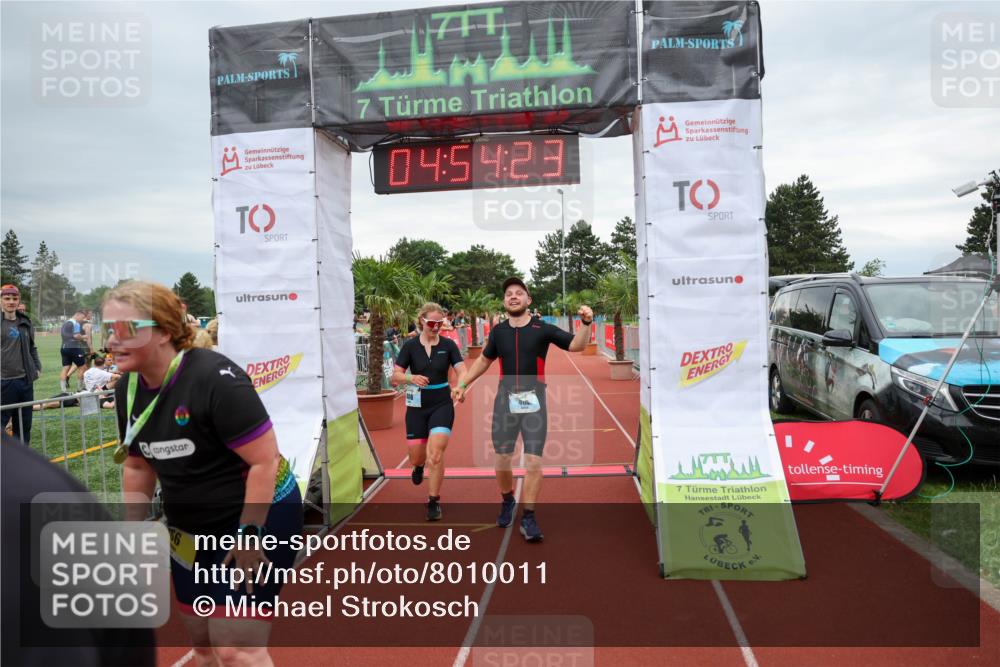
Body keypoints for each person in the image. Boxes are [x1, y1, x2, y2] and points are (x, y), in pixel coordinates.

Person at [104, 280, 301, 665]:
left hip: (256, 514)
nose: (112, 340)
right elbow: (137, 464)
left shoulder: (215, 379)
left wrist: (249, 535)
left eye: (125, 329)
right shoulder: (129, 387)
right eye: (108, 328)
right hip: (189, 526)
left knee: (236, 647)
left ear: (162, 331)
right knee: (202, 642)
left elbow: (265, 461)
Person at [453, 278, 593, 542]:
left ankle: (528, 517)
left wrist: (586, 324)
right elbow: (484, 360)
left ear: (529, 300)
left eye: (519, 293)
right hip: (504, 402)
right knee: (502, 458)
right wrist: (462, 383)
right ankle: (507, 500)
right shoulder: (498, 331)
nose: (514, 297)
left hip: (534, 402)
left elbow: (577, 345)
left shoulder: (543, 329)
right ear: (505, 302)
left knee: (534, 462)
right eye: (509, 294)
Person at [391, 302, 467, 521]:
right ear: (422, 321)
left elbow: (462, 370)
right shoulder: (410, 346)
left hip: (442, 403)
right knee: (418, 457)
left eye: (440, 323)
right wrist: (410, 377)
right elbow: (394, 377)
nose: (436, 327)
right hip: (416, 407)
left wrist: (460, 387)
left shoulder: (448, 345)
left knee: (436, 454)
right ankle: (417, 466)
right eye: (432, 323)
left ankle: (433, 501)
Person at [1, 285, 41, 444]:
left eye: (14, 298)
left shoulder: (25, 322)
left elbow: (32, 347)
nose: (11, 302)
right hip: (4, 382)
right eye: (7, 298)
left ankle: (22, 461)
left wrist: (37, 367)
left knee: (24, 427)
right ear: (1, 300)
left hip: (25, 382)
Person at [59, 309, 88, 392]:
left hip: (64, 347)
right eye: (82, 317)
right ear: (77, 315)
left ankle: (63, 391)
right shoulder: (75, 323)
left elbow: (65, 334)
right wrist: (84, 337)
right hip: (73, 347)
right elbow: (76, 336)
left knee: (65, 368)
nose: (82, 320)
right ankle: (80, 388)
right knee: (83, 367)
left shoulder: (66, 322)